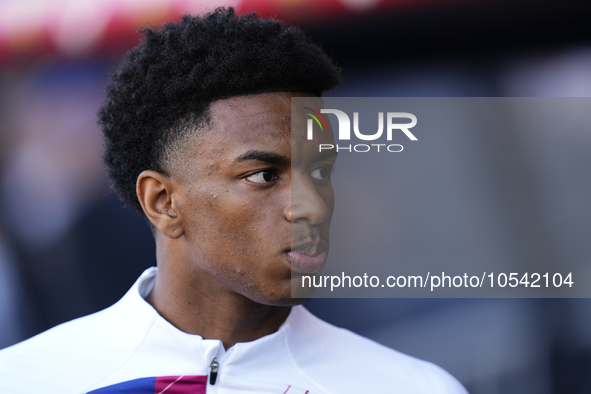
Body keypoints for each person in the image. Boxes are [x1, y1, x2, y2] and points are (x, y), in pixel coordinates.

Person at [0, 8, 467, 393]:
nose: (310, 205)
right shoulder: (30, 381)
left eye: (320, 172)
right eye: (263, 175)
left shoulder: (415, 387)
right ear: (162, 202)